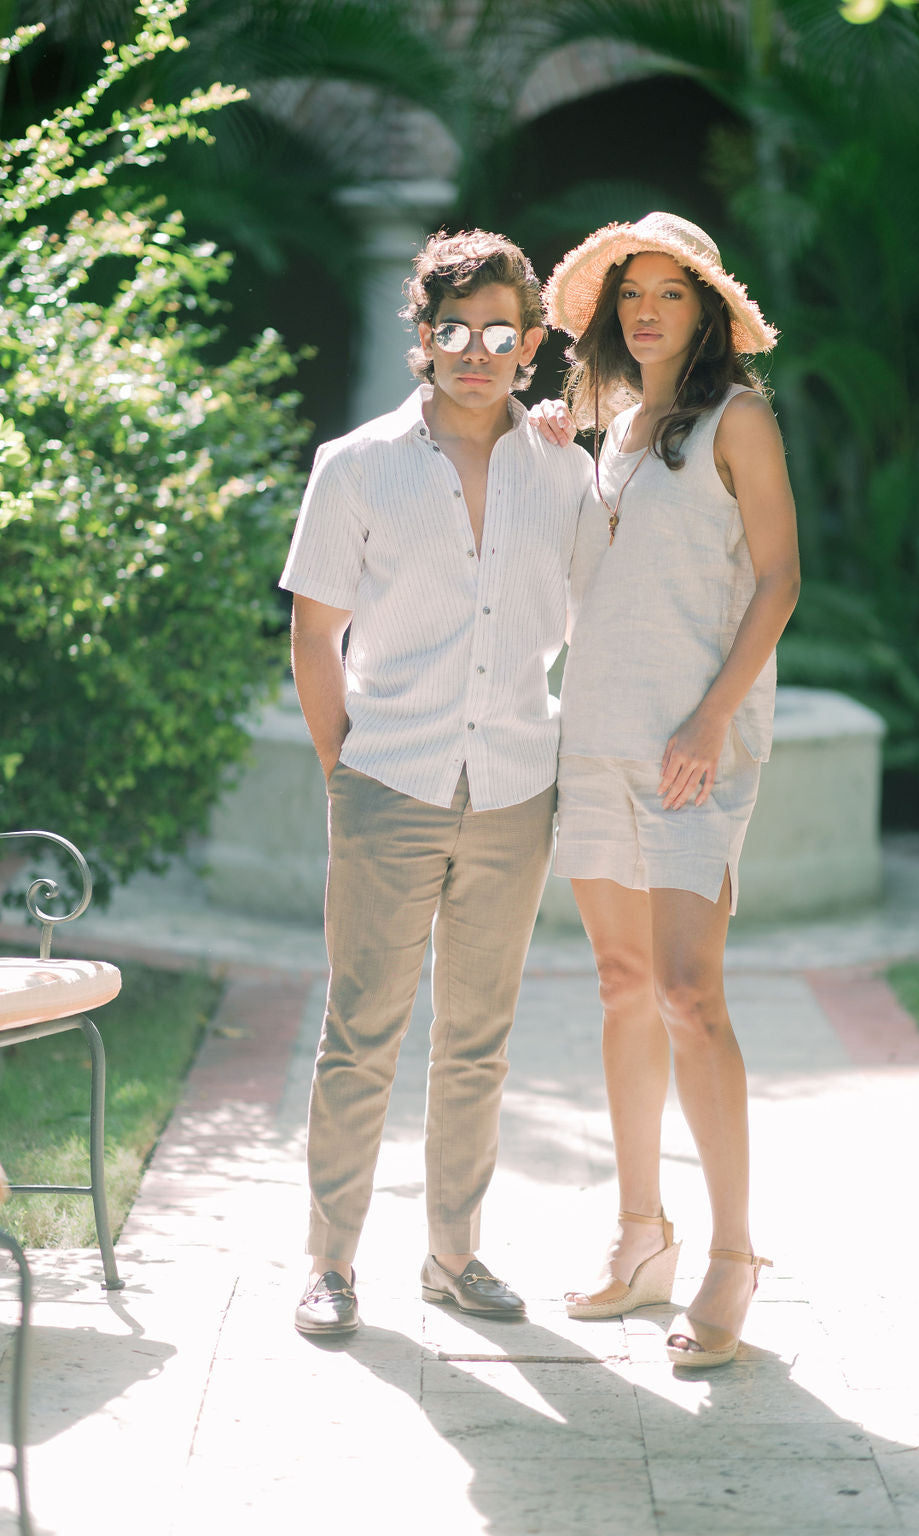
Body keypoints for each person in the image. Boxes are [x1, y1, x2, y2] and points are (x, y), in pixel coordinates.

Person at [281, 228, 591, 1335]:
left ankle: (453, 1255)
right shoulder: (355, 465)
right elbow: (315, 634)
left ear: (532, 343)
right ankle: (330, 1262)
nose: (475, 352)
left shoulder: (567, 468)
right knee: (359, 1031)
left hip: (514, 788)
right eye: (453, 331)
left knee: (477, 1039)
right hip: (387, 786)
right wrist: (343, 772)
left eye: (499, 333)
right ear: (423, 337)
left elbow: (611, 610)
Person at [537, 212, 800, 1367]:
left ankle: (733, 1256)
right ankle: (639, 1239)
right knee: (620, 981)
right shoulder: (611, 432)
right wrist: (552, 441)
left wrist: (710, 714)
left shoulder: (739, 419)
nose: (645, 310)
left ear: (706, 313)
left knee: (692, 994)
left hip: (694, 746)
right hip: (593, 739)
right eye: (629, 294)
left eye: (670, 293)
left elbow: (781, 578)